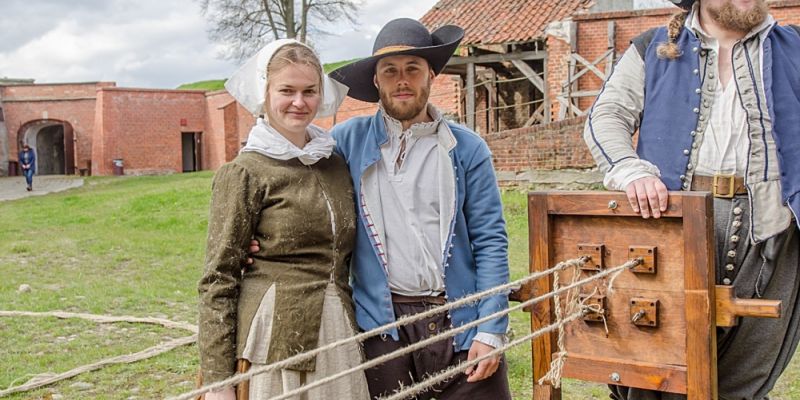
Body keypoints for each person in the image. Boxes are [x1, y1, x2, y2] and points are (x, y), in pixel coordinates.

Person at [584, 0, 800, 399]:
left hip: (772, 227)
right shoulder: (653, 47)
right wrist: (632, 171)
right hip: (670, 225)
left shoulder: (794, 48)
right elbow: (607, 116)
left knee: (744, 380)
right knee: (653, 372)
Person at [328, 18, 512, 400]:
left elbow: (491, 240)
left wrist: (491, 328)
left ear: (432, 74)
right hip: (383, 327)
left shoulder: (467, 148)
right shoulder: (346, 141)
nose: (402, 80)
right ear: (376, 80)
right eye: (390, 71)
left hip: (460, 322)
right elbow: (290, 170)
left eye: (413, 68)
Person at [197, 39, 369, 400]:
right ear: (265, 92)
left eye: (309, 91)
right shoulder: (245, 172)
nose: (299, 102)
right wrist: (217, 380)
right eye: (286, 90)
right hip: (275, 337)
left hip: (338, 328)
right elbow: (218, 278)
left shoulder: (334, 162)